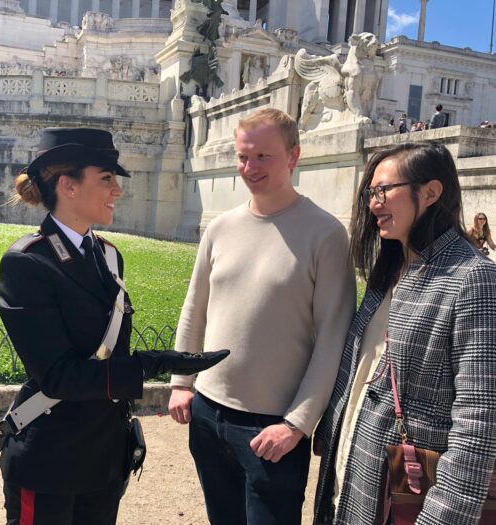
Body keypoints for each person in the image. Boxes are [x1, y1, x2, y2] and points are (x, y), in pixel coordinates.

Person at [0, 127, 229, 525]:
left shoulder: (108, 255)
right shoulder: (27, 263)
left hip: (103, 458)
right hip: (50, 457)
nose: (116, 191)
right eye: (106, 179)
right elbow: (58, 377)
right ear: (68, 186)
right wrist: (149, 365)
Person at [167, 108, 356, 524]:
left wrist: (298, 424)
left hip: (275, 428)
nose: (249, 168)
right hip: (208, 412)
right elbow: (194, 307)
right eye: (243, 156)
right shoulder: (220, 227)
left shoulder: (326, 234)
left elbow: (333, 338)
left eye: (263, 157)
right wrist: (182, 381)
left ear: (294, 156)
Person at [313, 142, 496, 524]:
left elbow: (479, 425)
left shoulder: (473, 278)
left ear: (430, 193)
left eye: (384, 191)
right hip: (353, 477)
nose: (373, 203)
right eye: (370, 193)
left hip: (406, 498)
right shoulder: (390, 271)